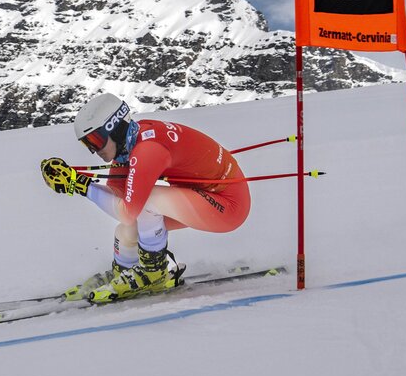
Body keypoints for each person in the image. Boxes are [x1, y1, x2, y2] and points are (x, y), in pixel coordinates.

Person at [39, 93, 252, 303]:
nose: (95, 151)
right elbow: (121, 200)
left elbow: (128, 209)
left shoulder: (147, 151)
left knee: (146, 204)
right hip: (206, 193)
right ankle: (126, 270)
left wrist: (80, 185)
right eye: (88, 144)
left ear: (114, 127)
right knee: (126, 229)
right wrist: (78, 182)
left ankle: (154, 272)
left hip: (227, 203)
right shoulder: (130, 143)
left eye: (96, 140)